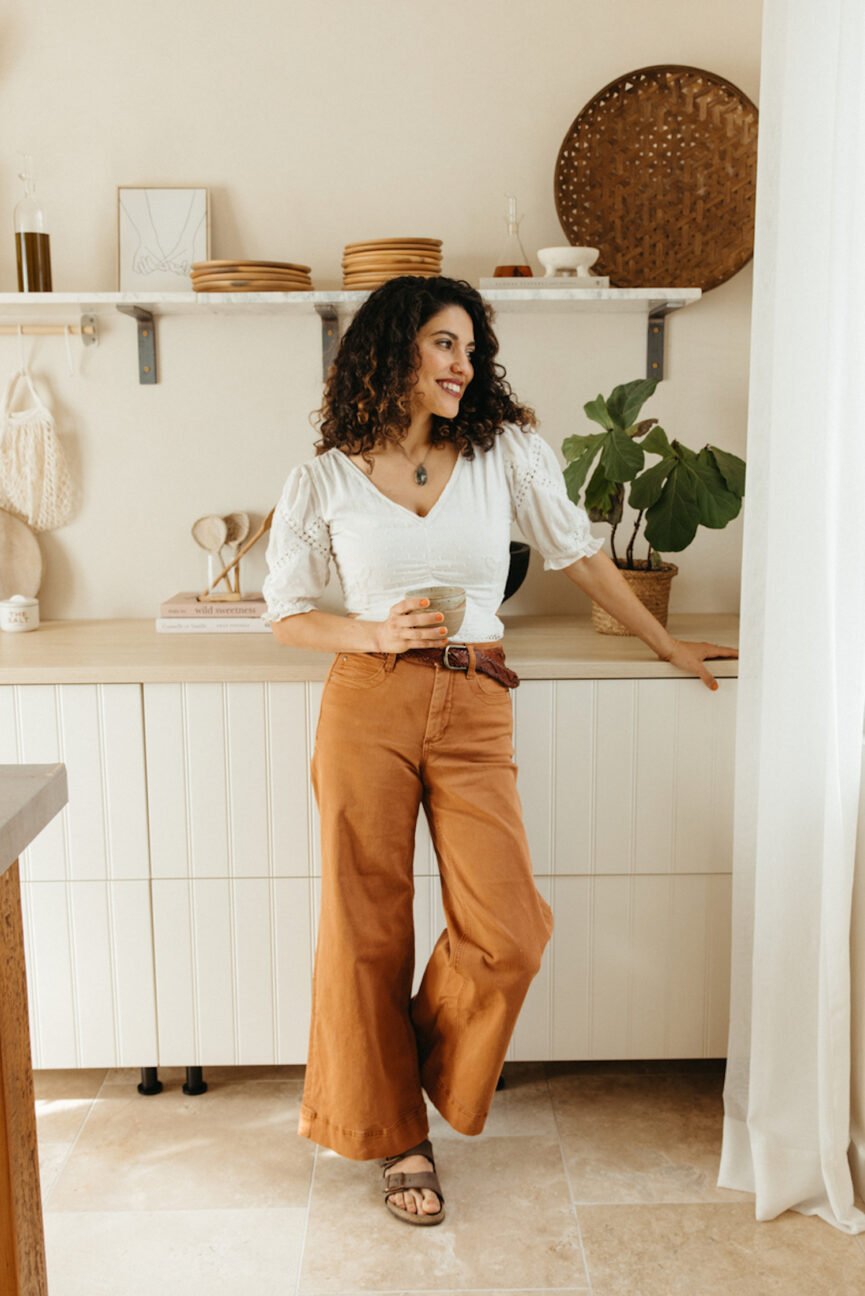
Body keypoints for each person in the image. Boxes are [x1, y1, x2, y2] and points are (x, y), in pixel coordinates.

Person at [262, 275, 738, 1226]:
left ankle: (391, 1063)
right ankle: (397, 1135)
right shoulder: (323, 474)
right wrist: (369, 635)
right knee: (364, 927)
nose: (462, 365)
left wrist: (666, 642)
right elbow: (285, 614)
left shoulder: (502, 453)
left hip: (477, 700)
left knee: (510, 931)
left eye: (470, 349)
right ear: (393, 350)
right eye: (444, 344)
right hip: (367, 702)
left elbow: (579, 552)